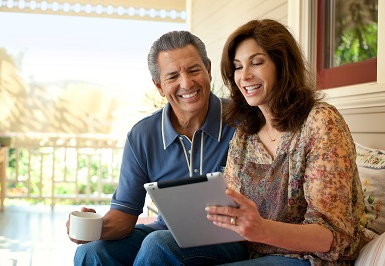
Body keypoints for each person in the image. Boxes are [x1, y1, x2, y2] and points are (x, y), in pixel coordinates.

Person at [133, 19, 366, 265]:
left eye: (257, 62)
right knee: (157, 243)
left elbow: (332, 237)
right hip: (251, 248)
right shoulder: (246, 132)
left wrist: (260, 228)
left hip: (308, 257)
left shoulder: (320, 122)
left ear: (281, 64)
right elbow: (233, 207)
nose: (245, 76)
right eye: (237, 66)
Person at [66, 30, 235, 265]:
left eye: (194, 70)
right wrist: (95, 227)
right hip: (169, 233)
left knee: (158, 245)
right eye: (172, 76)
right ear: (159, 86)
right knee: (92, 252)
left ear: (208, 69)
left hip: (231, 238)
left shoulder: (243, 122)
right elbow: (125, 214)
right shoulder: (142, 136)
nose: (186, 83)